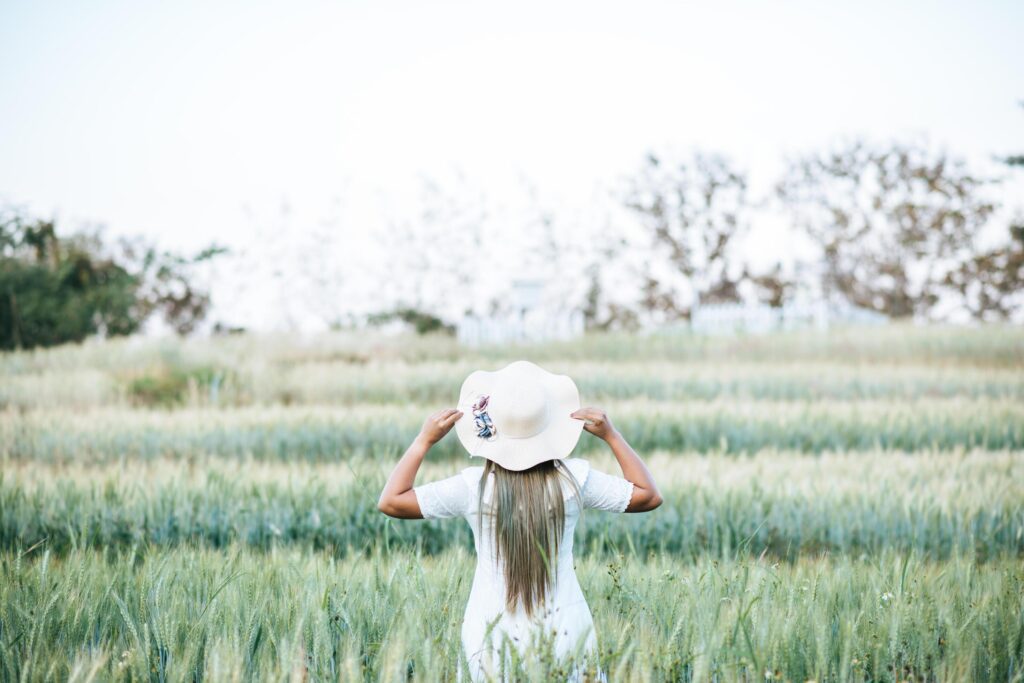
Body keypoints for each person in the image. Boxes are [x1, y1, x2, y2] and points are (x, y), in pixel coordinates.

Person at [377, 360, 662, 682]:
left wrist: (423, 441)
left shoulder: (473, 488)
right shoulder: (574, 482)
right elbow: (648, 496)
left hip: (489, 636)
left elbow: (391, 501)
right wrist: (612, 435)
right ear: (551, 425)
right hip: (567, 631)